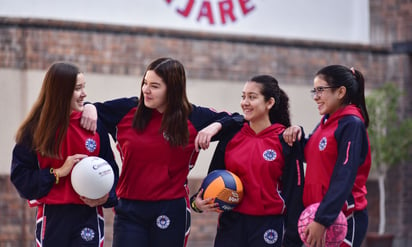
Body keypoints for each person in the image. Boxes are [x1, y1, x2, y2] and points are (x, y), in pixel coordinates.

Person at [80, 57, 242, 247]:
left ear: (172, 89)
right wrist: (90, 107)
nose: (146, 90)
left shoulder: (193, 117)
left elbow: (238, 121)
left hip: (171, 209)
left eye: (155, 86)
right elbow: (89, 110)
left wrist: (214, 127)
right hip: (129, 209)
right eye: (145, 83)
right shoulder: (126, 110)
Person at [10, 62, 119, 247]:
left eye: (84, 87)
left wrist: (107, 196)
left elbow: (110, 171)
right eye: (78, 88)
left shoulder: (94, 126)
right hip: (53, 217)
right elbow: (20, 177)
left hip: (88, 217)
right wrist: (58, 172)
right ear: (60, 92)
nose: (84, 93)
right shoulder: (35, 131)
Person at [190, 75, 305, 247]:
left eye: (252, 97)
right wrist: (197, 203)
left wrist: (292, 240)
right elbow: (211, 181)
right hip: (231, 225)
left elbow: (295, 194)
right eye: (243, 96)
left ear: (270, 103)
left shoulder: (285, 140)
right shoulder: (231, 136)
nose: (245, 102)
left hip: (268, 227)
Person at [283, 65, 371, 247]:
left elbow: (344, 175)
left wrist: (323, 219)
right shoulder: (325, 122)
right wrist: (297, 133)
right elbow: (310, 153)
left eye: (320, 90)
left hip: (342, 218)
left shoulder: (351, 124)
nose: (315, 97)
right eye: (314, 91)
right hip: (317, 215)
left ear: (340, 92)